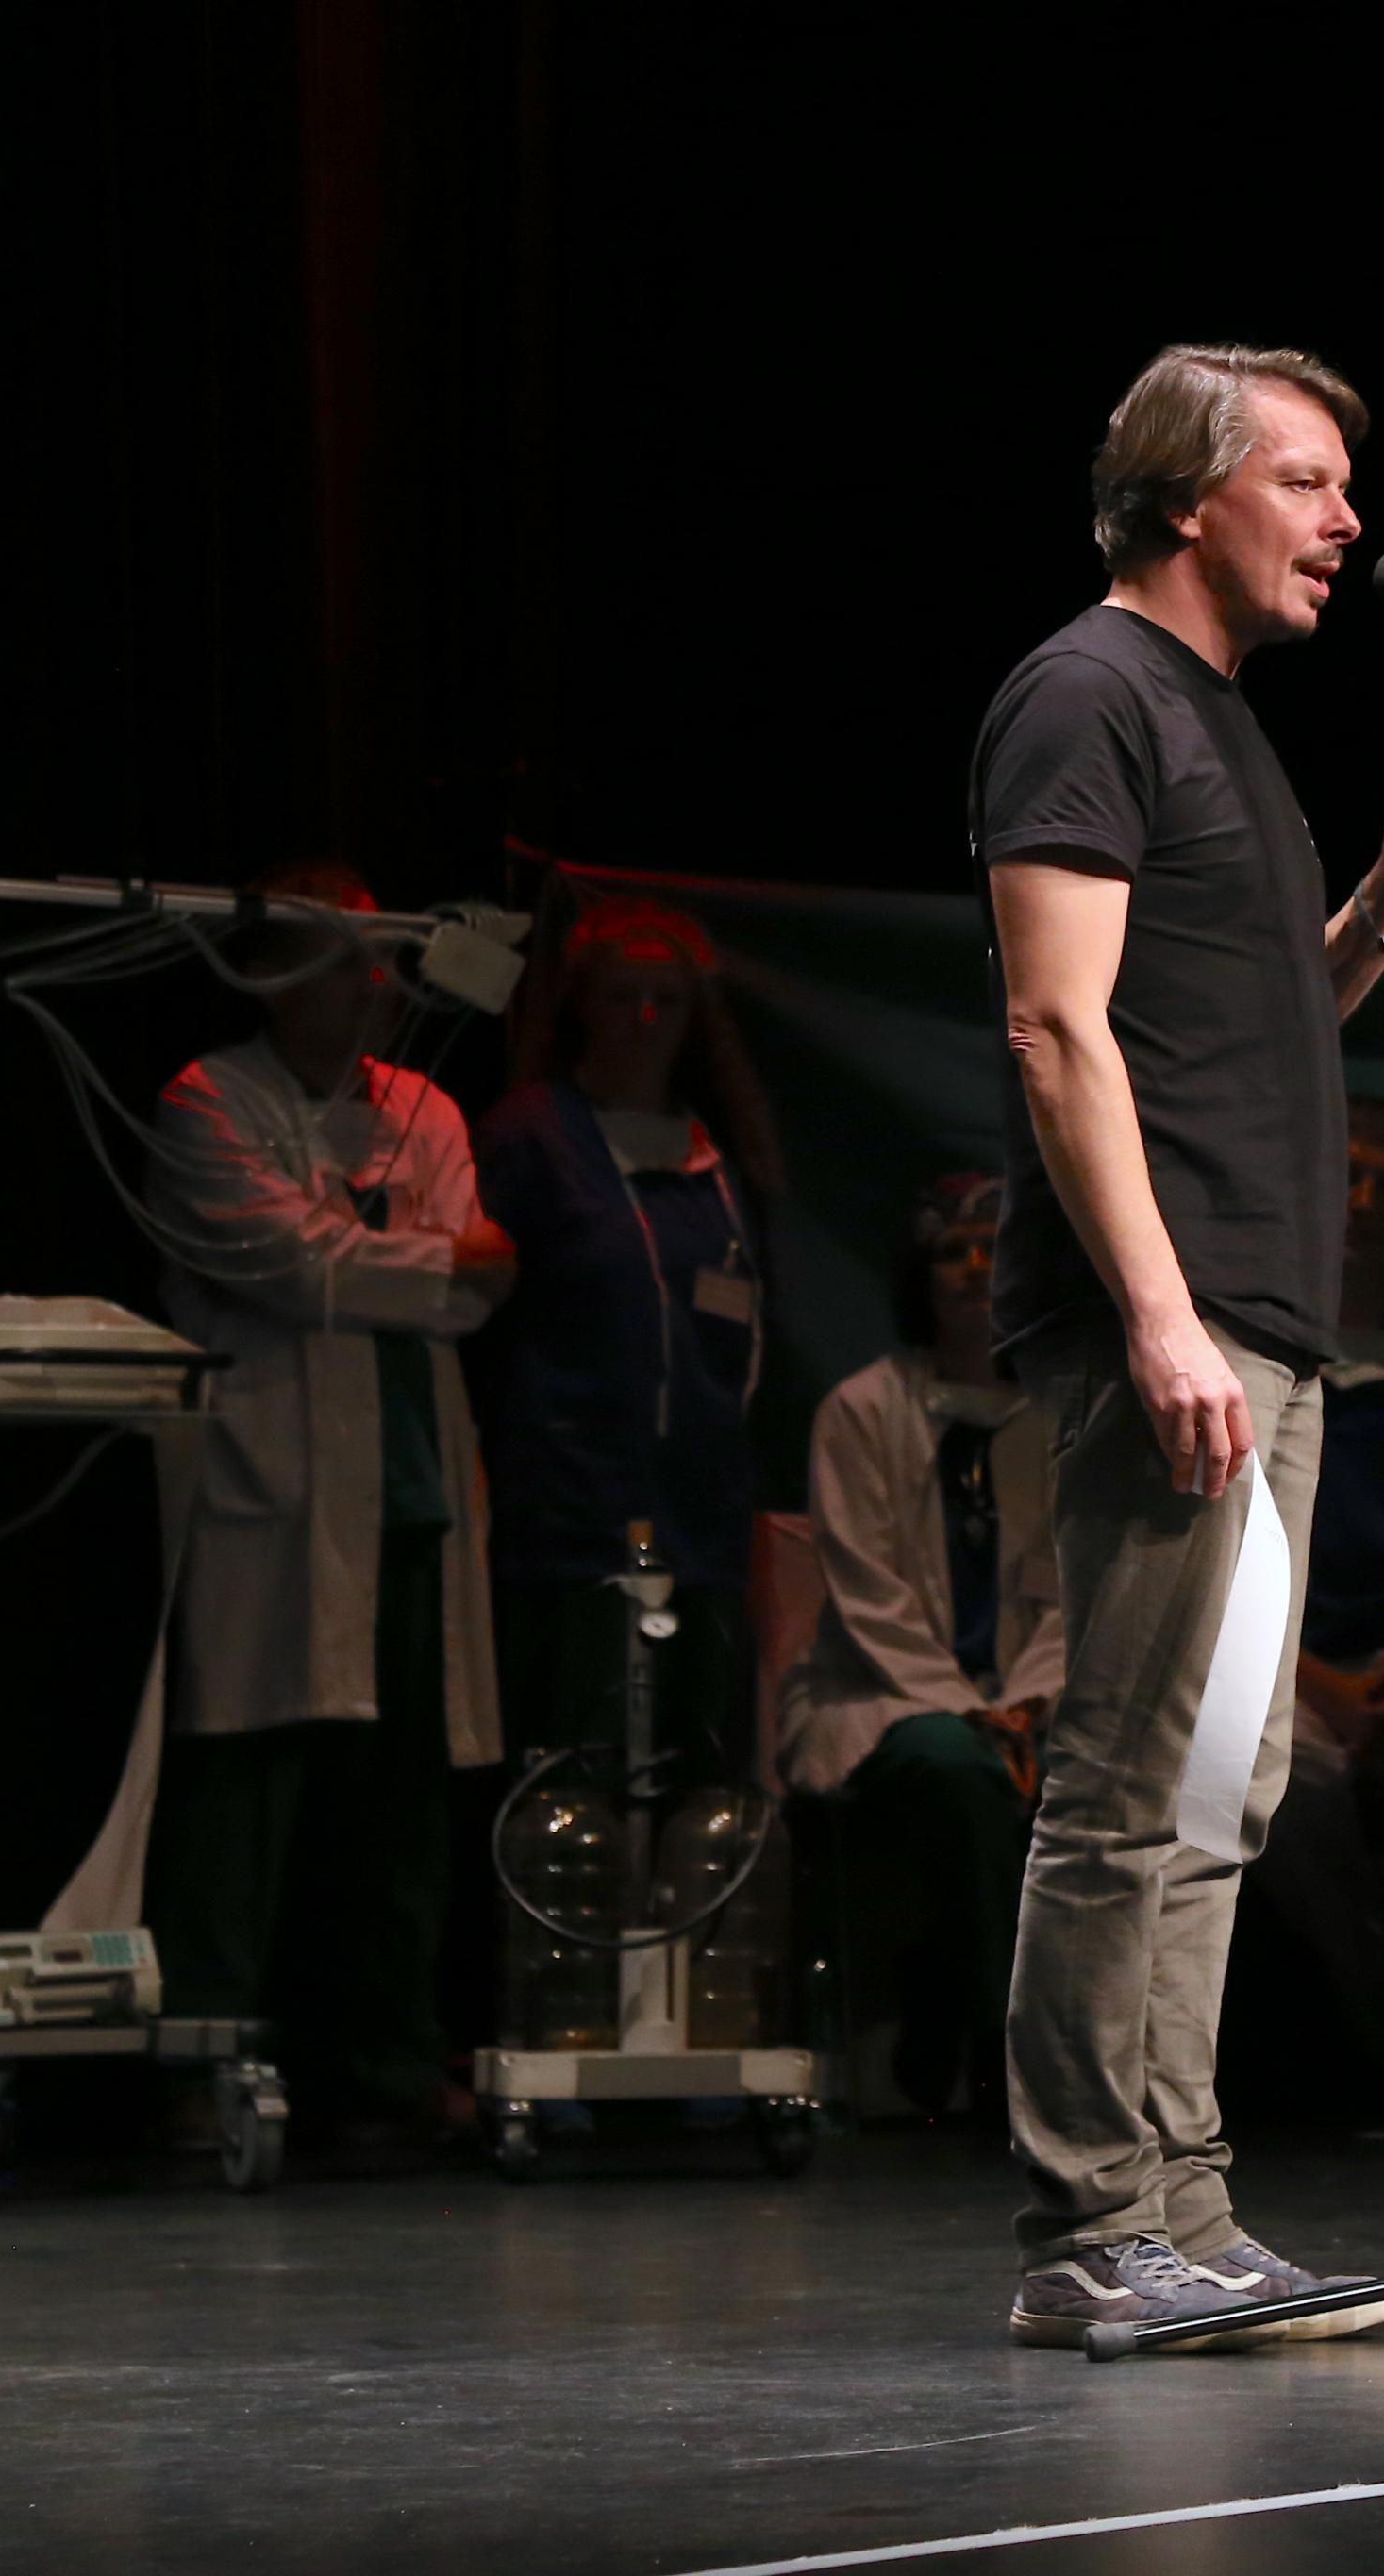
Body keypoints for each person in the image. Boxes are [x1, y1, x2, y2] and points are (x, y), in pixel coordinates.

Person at [972, 342, 1384, 2346]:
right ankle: (1084, 2228)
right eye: (1305, 481)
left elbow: (1242, 1034)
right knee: (1123, 1782)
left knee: (1222, 1787)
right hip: (1174, 1320)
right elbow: (1056, 1028)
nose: (1347, 521)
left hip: (1256, 1322)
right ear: (1190, 497)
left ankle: (1180, 2210)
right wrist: (1156, 1312)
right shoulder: (1085, 694)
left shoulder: (1215, 725)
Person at [143, 861, 509, 2145]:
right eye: (346, 958)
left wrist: (412, 1270)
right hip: (278, 1493)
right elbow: (291, 1264)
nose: (376, 984)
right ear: (274, 971)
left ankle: (390, 2065)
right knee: (244, 1793)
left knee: (402, 1803)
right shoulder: (207, 1100)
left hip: (411, 1491)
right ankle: (204, 2060)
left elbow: (479, 1293)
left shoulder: (426, 1108)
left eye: (379, 958)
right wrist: (433, 1265)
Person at [774, 1175, 1064, 2117]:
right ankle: (1003, 2048)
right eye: (951, 1252)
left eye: (993, 1248)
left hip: (1038, 1697)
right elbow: (869, 1594)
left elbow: (1076, 1591)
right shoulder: (862, 1410)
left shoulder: (1061, 1413)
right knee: (957, 1766)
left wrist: (1027, 1701)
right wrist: (977, 1711)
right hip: (886, 1693)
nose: (974, 1270)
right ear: (918, 1275)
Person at [472, 895, 778, 1784]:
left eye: (666, 1000)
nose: (644, 1019)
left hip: (702, 1523)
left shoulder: (720, 1159)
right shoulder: (531, 1138)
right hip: (569, 1519)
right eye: (621, 997)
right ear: (580, 1006)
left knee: (693, 1775)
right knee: (573, 1770)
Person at [1234, 1094, 1384, 2108]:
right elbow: (1229, 1553)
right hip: (1297, 1671)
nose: (1363, 1203)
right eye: (1346, 1178)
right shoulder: (1256, 1349)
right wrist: (1326, 1687)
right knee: (1271, 1778)